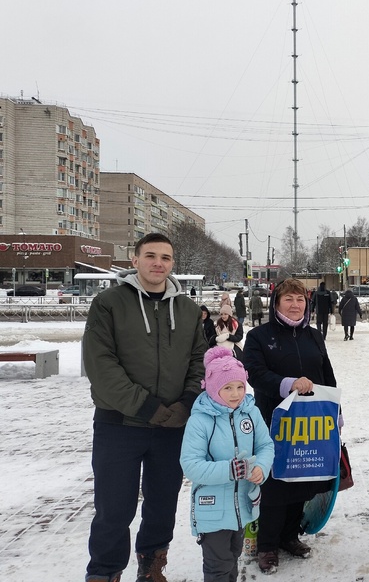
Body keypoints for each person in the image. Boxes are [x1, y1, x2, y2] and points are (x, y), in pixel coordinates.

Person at [83, 232, 207, 582]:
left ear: (172, 264)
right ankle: (105, 572)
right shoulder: (109, 303)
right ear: (134, 260)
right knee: (114, 507)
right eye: (150, 255)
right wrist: (147, 407)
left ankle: (152, 566)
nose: (158, 263)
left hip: (172, 427)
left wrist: (186, 403)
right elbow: (101, 365)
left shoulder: (186, 309)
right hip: (119, 424)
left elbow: (199, 360)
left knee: (162, 504)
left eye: (165, 258)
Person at [242, 278, 338, 575]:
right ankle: (267, 544)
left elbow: (326, 374)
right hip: (272, 422)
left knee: (302, 479)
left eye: (300, 299)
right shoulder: (259, 336)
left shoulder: (313, 336)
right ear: (276, 303)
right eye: (288, 299)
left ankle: (288, 536)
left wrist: (335, 412)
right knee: (274, 484)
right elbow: (254, 374)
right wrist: (288, 385)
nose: (295, 305)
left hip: (311, 423)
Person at [180, 346, 274, 582]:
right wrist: (230, 470)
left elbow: (266, 445)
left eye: (240, 386)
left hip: (242, 506)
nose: (236, 394)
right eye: (228, 388)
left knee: (233, 557)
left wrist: (261, 468)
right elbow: (190, 464)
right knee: (218, 567)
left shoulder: (250, 413)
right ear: (213, 388)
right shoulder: (200, 421)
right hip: (212, 510)